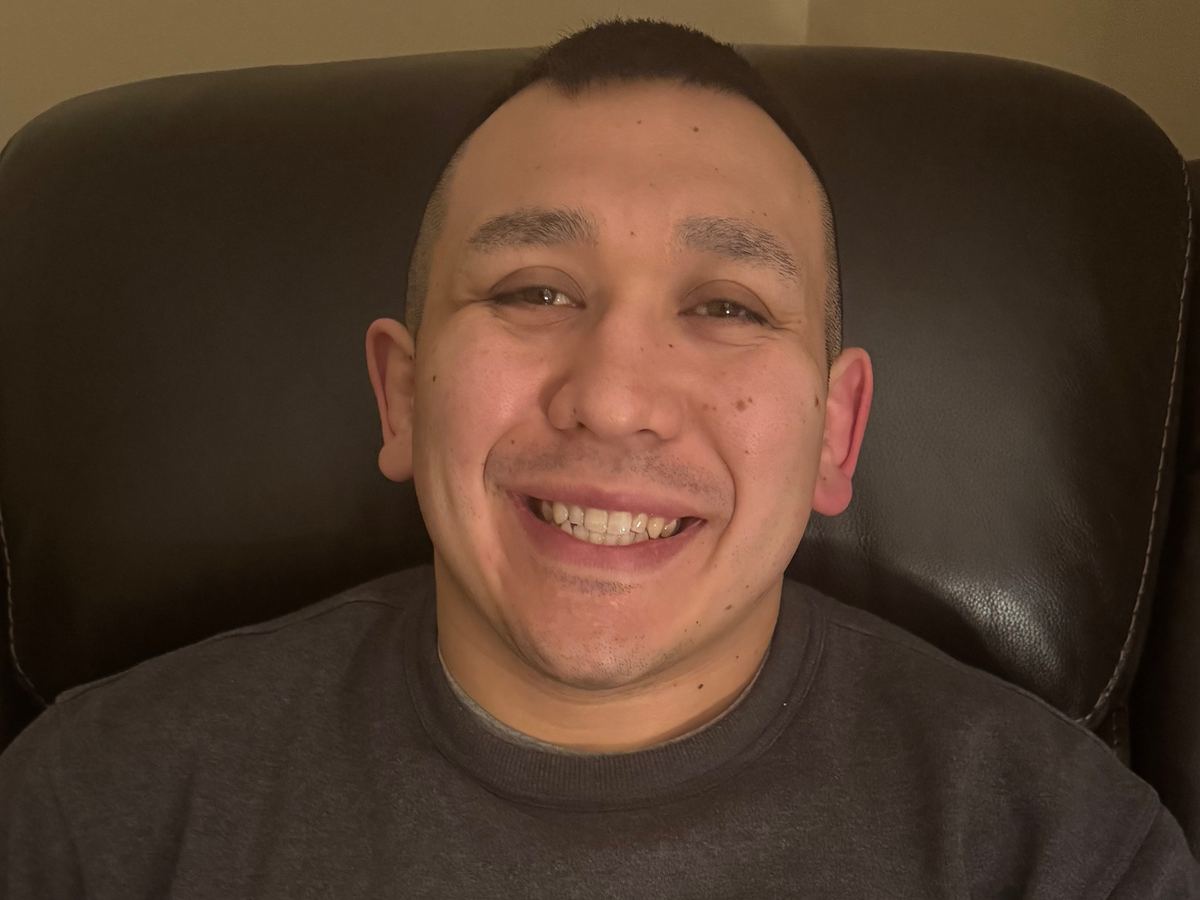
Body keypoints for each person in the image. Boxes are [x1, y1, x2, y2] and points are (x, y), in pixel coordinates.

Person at [1, 18, 1197, 898]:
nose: (615, 398)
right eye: (534, 290)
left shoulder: (1065, 855)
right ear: (402, 394)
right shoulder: (92, 817)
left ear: (837, 432)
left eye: (727, 307)